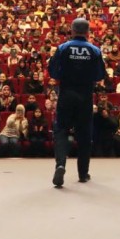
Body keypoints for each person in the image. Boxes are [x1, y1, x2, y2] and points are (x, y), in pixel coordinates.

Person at [47, 16, 107, 188]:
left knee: (61, 130)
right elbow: (100, 75)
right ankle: (83, 172)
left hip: (66, 94)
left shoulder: (63, 48)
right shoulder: (94, 50)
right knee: (84, 134)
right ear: (88, 32)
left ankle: (60, 164)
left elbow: (53, 72)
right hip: (85, 96)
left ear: (72, 31)